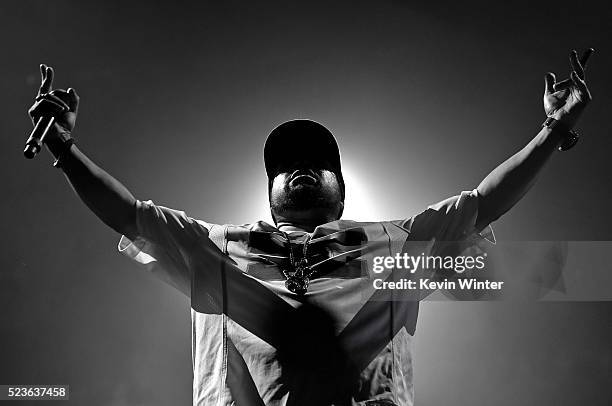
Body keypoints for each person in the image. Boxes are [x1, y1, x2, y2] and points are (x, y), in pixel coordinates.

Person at [27, 49, 594, 406]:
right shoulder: (217, 247)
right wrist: (64, 146)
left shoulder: (394, 245)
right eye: (285, 165)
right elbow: (128, 214)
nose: (300, 168)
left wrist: (552, 132)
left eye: (318, 163)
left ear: (341, 191)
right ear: (270, 194)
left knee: (553, 272)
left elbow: (481, 206)